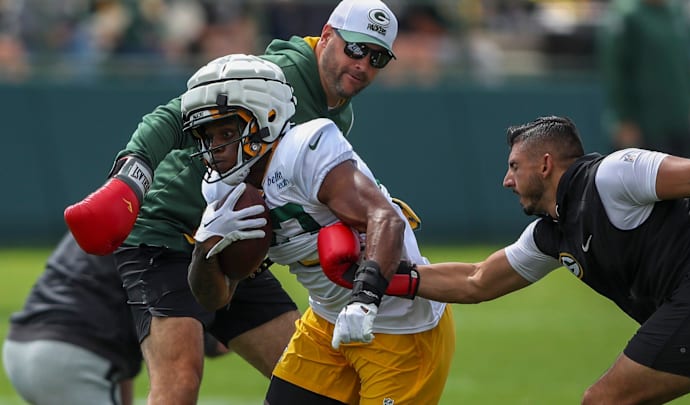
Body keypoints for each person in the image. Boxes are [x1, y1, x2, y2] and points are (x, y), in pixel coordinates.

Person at [62, 0, 407, 403]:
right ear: (327, 36)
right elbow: (176, 116)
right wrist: (131, 178)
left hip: (236, 241)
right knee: (179, 383)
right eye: (355, 48)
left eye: (377, 56)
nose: (364, 64)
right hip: (169, 233)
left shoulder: (337, 113)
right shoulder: (278, 75)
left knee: (317, 383)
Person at [321, 115, 690, 403]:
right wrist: (379, 277)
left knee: (605, 401)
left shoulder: (614, 175)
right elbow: (477, 280)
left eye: (514, 166)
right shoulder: (551, 233)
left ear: (545, 164)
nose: (506, 180)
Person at [181, 54, 454, 404]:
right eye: (207, 135)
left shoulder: (303, 150)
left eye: (227, 132)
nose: (215, 149)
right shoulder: (221, 191)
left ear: (268, 118)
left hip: (398, 322)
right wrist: (204, 250)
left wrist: (365, 299)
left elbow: (385, 218)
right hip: (326, 319)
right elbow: (214, 298)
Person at [2, 232, 229, 405]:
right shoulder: (162, 229)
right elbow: (168, 321)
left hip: (20, 347)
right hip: (73, 358)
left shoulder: (118, 206)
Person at [598, 0, 690, 157]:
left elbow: (688, 64)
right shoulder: (626, 15)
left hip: (681, 122)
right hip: (645, 126)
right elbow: (614, 72)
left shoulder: (679, 12)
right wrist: (623, 119)